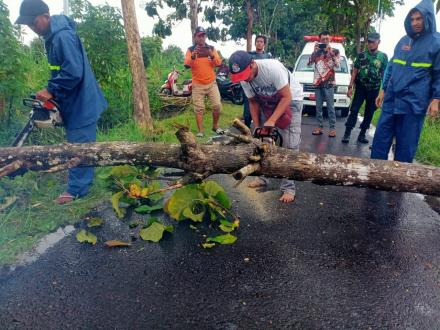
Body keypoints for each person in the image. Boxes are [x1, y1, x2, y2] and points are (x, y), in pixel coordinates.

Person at [15, 0, 107, 204]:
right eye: (28, 24)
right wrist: (51, 92)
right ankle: (83, 181)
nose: (31, 27)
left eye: (34, 22)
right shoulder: (53, 36)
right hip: (74, 101)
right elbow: (61, 71)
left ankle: (76, 190)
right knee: (79, 142)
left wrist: (51, 90)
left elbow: (73, 72)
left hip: (82, 102)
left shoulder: (61, 36)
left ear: (45, 16)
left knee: (79, 146)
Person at [229, 51, 303, 203]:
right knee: (262, 142)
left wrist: (273, 120)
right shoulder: (244, 78)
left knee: (289, 144)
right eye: (241, 76)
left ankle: (288, 188)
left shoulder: (272, 69)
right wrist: (257, 126)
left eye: (245, 74)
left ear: (252, 64)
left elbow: (286, 97)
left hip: (291, 98)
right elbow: (253, 102)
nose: (245, 79)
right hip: (267, 101)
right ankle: (263, 178)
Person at [371, 0, 440, 163]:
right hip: (391, 101)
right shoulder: (403, 41)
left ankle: (398, 184)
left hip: (413, 105)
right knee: (379, 142)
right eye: (412, 19)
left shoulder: (436, 43)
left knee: (405, 148)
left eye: (419, 19)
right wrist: (383, 89)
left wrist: (436, 99)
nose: (415, 23)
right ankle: (373, 181)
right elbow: (392, 66)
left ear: (428, 19)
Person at [342, 32, 388, 144]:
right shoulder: (361, 55)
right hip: (361, 87)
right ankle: (347, 133)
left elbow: (384, 74)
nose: (370, 44)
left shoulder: (383, 57)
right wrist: (350, 86)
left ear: (378, 42)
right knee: (354, 110)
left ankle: (362, 135)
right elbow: (355, 71)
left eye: (373, 42)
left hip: (374, 89)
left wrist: (383, 92)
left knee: (369, 112)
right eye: (369, 42)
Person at [184, 27, 223, 138]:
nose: (201, 38)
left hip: (211, 83)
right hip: (197, 84)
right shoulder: (191, 49)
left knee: (217, 105)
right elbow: (186, 64)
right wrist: (192, 56)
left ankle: (215, 126)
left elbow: (219, 63)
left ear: (205, 37)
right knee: (199, 108)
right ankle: (200, 131)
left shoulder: (211, 48)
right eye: (199, 36)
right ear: (195, 37)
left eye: (203, 36)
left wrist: (211, 55)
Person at [308, 31, 340, 137]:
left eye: (327, 39)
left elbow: (337, 66)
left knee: (331, 107)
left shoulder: (335, 51)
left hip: (329, 83)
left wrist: (330, 53)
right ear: (319, 40)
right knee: (318, 107)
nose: (325, 41)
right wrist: (314, 52)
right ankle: (319, 127)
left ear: (330, 39)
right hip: (318, 83)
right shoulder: (316, 52)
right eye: (323, 39)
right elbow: (309, 64)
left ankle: (332, 129)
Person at [243, 35, 272, 128]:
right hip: (250, 85)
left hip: (263, 87)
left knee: (263, 111)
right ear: (255, 43)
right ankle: (246, 130)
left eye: (261, 41)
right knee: (248, 112)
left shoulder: (268, 56)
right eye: (258, 41)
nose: (259, 43)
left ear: (264, 44)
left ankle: (261, 132)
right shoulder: (249, 55)